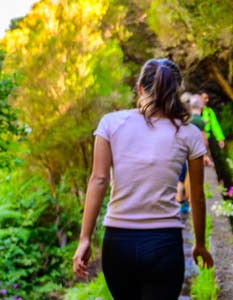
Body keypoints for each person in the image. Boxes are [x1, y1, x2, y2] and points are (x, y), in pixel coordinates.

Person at [73, 58, 213, 299]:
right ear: (176, 91)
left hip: (118, 242)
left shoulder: (111, 123)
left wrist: (85, 238)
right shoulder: (188, 133)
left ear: (139, 88)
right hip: (164, 244)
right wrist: (199, 243)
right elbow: (197, 196)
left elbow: (98, 180)